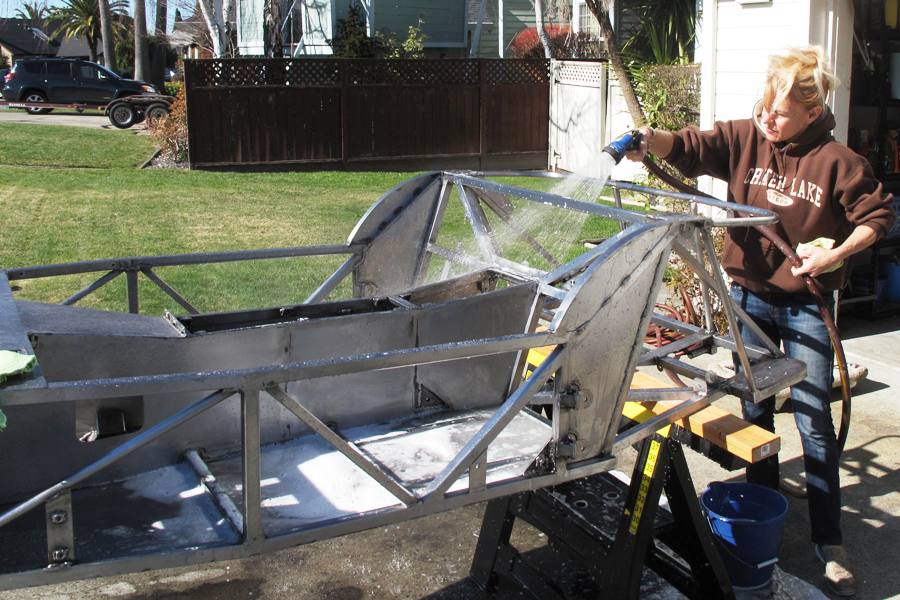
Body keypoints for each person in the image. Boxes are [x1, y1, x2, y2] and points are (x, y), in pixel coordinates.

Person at [626, 46, 895, 597]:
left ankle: (830, 542)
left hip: (807, 305)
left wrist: (836, 253)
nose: (767, 119)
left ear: (812, 112)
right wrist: (649, 140)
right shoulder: (745, 139)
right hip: (749, 300)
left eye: (780, 113)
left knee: (814, 420)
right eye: (763, 107)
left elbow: (876, 217)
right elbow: (691, 147)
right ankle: (764, 510)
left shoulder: (839, 161)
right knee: (756, 411)